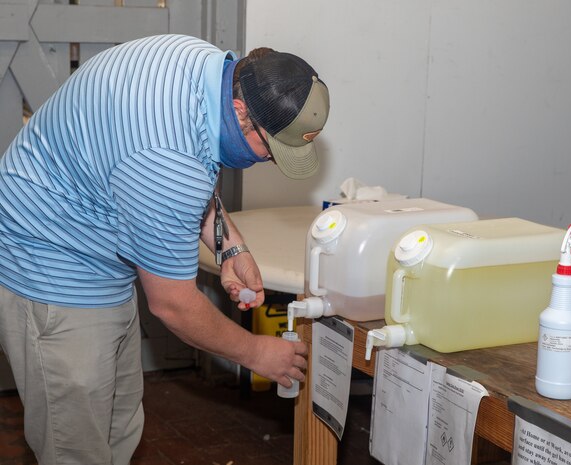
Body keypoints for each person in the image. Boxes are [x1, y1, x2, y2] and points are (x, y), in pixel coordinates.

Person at [0, 34, 330, 465]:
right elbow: (173, 304)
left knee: (120, 425)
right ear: (240, 111)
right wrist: (257, 352)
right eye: (271, 151)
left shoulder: (205, 66)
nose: (270, 162)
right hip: (50, 268)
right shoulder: (166, 161)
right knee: (75, 448)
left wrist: (230, 247)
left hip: (96, 242)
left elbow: (192, 158)